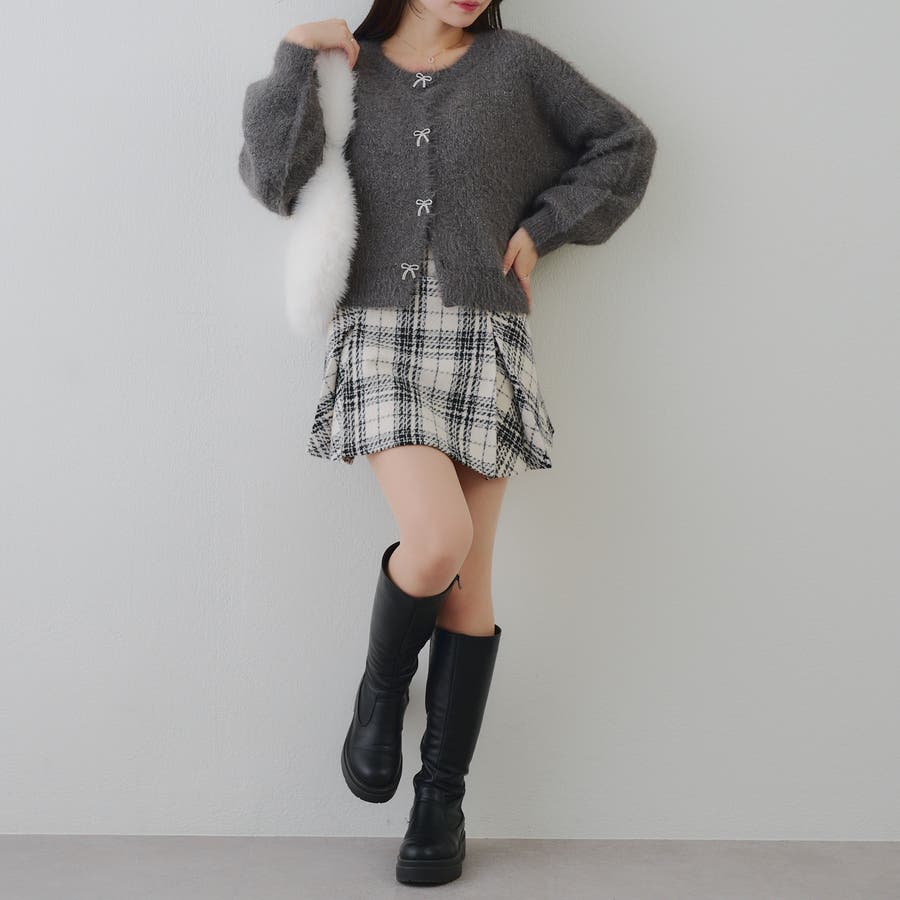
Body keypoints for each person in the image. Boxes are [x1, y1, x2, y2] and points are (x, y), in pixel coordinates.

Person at [238, 0, 656, 885]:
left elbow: (625, 145)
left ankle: (442, 802)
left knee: (470, 588)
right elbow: (275, 179)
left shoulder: (518, 67)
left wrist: (542, 230)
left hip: (484, 335)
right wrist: (294, 56)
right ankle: (381, 690)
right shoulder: (346, 70)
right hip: (377, 335)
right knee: (439, 542)